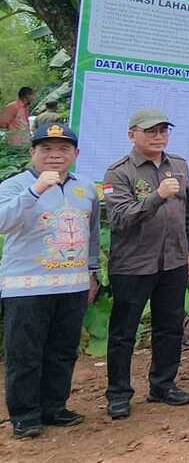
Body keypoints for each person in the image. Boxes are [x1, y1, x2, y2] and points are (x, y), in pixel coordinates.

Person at [0, 124, 100, 439]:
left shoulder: (86, 187)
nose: (55, 155)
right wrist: (35, 191)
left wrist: (92, 271)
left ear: (76, 154)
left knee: (63, 350)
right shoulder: (14, 185)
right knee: (24, 353)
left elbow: (92, 232)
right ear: (33, 152)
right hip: (26, 287)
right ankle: (25, 415)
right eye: (46, 149)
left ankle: (54, 407)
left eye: (63, 149)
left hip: (73, 285)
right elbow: (2, 222)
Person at [103, 109, 189, 418]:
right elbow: (120, 219)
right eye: (151, 131)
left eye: (163, 130)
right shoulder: (119, 172)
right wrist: (157, 196)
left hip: (173, 262)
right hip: (133, 265)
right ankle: (119, 394)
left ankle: (163, 385)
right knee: (124, 332)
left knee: (170, 328)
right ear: (132, 135)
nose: (158, 136)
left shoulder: (179, 165)